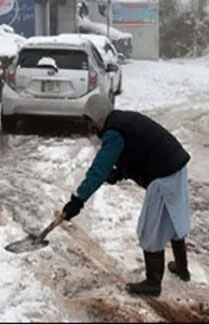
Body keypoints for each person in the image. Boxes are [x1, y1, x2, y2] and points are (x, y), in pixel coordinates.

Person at [61, 94, 192, 297]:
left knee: (150, 228)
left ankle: (152, 283)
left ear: (98, 116)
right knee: (174, 217)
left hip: (163, 173)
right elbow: (137, 150)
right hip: (175, 165)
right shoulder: (122, 121)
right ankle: (182, 269)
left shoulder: (113, 133)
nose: (90, 128)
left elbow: (98, 169)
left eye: (90, 121)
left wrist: (77, 200)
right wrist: (119, 172)